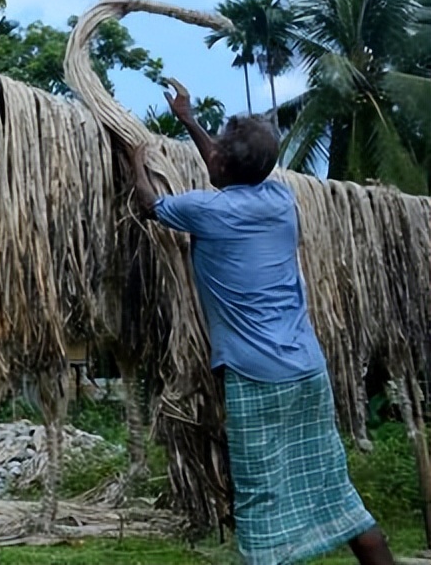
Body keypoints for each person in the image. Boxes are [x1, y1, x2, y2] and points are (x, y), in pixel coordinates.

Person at [128, 78, 395, 565]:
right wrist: (188, 118)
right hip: (307, 371)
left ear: (224, 166)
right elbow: (224, 166)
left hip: (257, 378)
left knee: (259, 503)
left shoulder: (206, 210)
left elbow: (149, 205)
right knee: (338, 496)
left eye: (219, 155)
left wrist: (133, 157)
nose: (212, 159)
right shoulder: (279, 200)